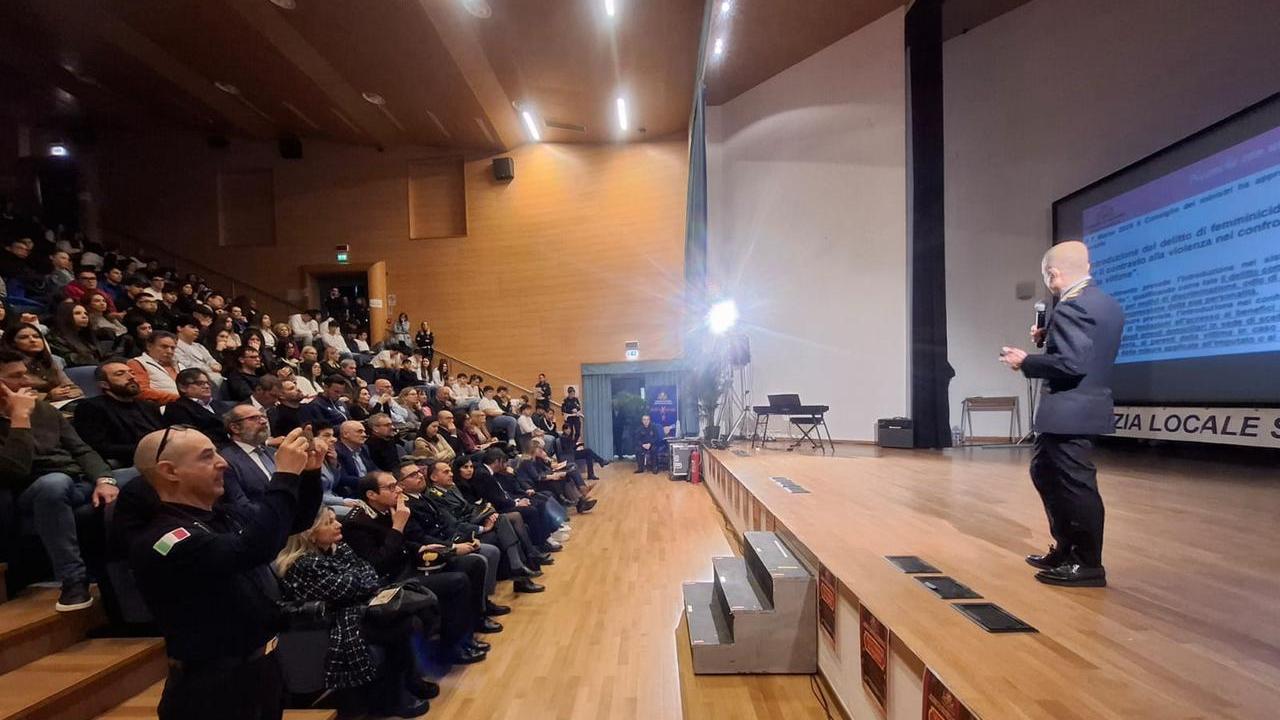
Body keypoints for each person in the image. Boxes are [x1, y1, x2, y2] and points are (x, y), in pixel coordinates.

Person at [128, 427, 325, 720]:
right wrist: (283, 476)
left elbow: (294, 521)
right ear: (169, 471)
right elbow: (254, 549)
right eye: (207, 457)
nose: (223, 463)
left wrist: (309, 474)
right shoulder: (165, 539)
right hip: (213, 688)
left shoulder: (222, 514)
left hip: (260, 671)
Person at [999, 240, 1125, 588]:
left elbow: (1071, 365)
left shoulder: (1072, 308)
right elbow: (1087, 351)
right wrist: (1050, 335)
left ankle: (1087, 563)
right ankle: (1066, 548)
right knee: (1044, 471)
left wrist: (1026, 361)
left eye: (1047, 276)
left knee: (1074, 486)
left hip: (1070, 411)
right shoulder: (1106, 304)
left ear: (1052, 273)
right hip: (1082, 408)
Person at [274, 507, 437, 717]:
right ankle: (394, 698)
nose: (338, 525)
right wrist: (359, 582)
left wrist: (358, 582)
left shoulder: (339, 548)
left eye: (335, 519)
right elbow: (346, 588)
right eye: (329, 522)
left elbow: (368, 572)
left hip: (357, 607)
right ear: (310, 535)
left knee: (407, 616)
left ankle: (409, 682)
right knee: (402, 625)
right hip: (334, 621)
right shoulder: (302, 564)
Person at [0, 349, 123, 612]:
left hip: (78, 480)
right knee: (54, 484)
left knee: (141, 475)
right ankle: (73, 579)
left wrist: (105, 480)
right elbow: (14, 471)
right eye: (16, 377)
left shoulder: (43, 410)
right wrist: (19, 419)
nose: (28, 382)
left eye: (26, 374)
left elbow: (81, 450)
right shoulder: (24, 412)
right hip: (32, 489)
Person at [341, 472, 495, 664]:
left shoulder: (389, 509)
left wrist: (422, 547)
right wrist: (398, 526)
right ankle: (452, 647)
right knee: (457, 581)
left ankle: (471, 629)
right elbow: (378, 564)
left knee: (473, 564)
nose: (398, 490)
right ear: (371, 495)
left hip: (409, 564)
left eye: (397, 485)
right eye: (391, 487)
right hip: (392, 581)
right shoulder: (357, 523)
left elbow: (405, 543)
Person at [397, 459, 508, 603]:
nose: (420, 476)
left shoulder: (423, 497)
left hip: (451, 539)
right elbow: (422, 538)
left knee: (492, 547)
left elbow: (446, 524)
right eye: (413, 475)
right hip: (435, 553)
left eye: (419, 472)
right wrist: (453, 547)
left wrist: (465, 539)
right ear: (401, 484)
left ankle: (485, 601)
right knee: (481, 558)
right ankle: (481, 606)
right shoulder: (406, 507)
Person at [71, 360, 164, 467]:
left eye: (132, 373)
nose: (131, 377)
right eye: (120, 374)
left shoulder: (148, 405)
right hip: (131, 459)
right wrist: (147, 449)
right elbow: (99, 447)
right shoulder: (91, 407)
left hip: (162, 454)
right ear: (104, 384)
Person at [0, 322, 82, 401]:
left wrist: (67, 392)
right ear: (11, 342)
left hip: (60, 402)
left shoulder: (49, 360)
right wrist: (48, 396)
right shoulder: (10, 364)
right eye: (24, 337)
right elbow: (11, 392)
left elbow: (71, 386)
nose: (32, 340)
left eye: (36, 336)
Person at [219, 404, 277, 510]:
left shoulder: (273, 452)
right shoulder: (226, 460)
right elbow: (240, 505)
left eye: (263, 417)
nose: (263, 421)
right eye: (254, 418)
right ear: (235, 428)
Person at [163, 369, 230, 444]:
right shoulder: (176, 408)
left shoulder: (217, 404)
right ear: (183, 388)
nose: (207, 386)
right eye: (200, 383)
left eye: (208, 383)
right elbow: (190, 437)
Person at [127, 331, 180, 405]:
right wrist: (179, 399)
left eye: (172, 348)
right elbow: (141, 392)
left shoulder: (180, 365)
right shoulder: (138, 363)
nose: (169, 351)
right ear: (149, 346)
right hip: (163, 407)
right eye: (164, 347)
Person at [46, 301, 103, 367]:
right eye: (77, 313)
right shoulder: (55, 337)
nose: (84, 316)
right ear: (65, 316)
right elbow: (69, 359)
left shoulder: (85, 336)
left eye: (86, 314)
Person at [173, 315, 223, 380]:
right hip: (193, 378)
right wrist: (209, 368)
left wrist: (215, 365)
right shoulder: (174, 346)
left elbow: (210, 359)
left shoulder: (199, 346)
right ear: (179, 328)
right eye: (192, 327)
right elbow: (186, 365)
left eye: (197, 328)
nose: (197, 330)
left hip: (215, 377)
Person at [334, 420, 374, 497]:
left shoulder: (364, 448)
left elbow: (373, 467)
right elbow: (342, 478)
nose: (364, 435)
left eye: (364, 432)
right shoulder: (337, 451)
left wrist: (383, 476)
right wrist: (371, 482)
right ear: (345, 434)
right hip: (352, 493)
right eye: (360, 432)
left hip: (369, 488)